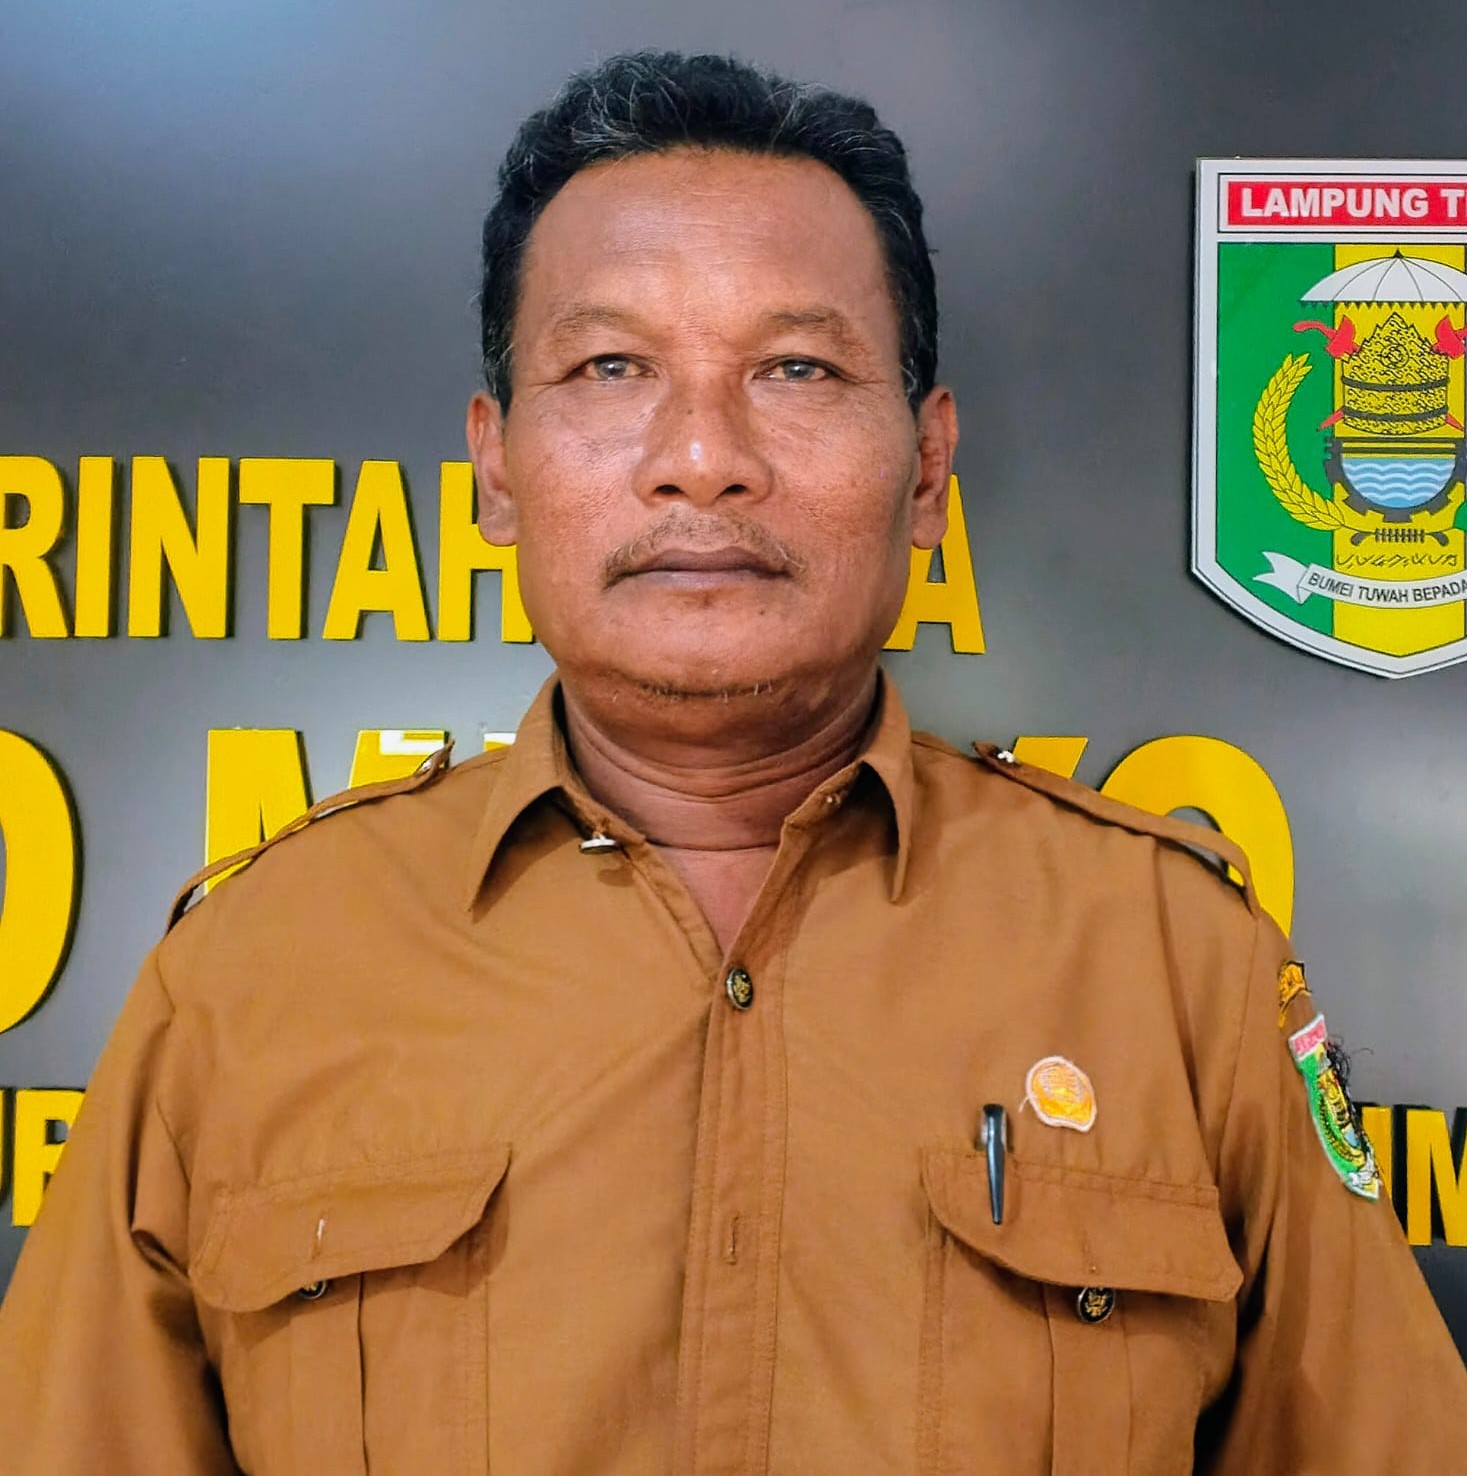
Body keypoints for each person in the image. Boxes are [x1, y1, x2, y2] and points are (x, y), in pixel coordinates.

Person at [0, 49, 1463, 1475]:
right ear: (497, 466)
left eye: (797, 367)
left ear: (928, 468)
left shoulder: (1173, 964)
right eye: (612, 365)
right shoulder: (252, 972)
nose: (702, 455)